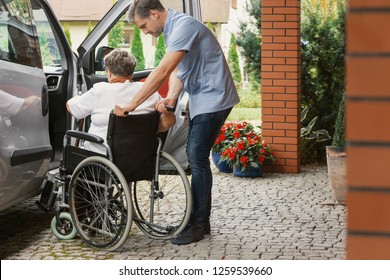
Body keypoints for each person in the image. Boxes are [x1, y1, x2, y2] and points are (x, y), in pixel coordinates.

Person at [114, 0, 240, 245]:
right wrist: (172, 96)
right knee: (197, 157)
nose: (145, 31)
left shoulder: (183, 26)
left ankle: (198, 224)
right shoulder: (172, 31)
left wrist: (132, 104)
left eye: (143, 26)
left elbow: (162, 70)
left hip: (214, 98)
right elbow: (179, 72)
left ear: (154, 13)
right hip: (203, 98)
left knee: (196, 158)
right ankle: (197, 221)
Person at [67, 49, 175, 154]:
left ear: (109, 73)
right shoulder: (149, 92)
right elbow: (165, 124)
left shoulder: (99, 91)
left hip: (102, 158)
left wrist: (76, 98)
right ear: (131, 75)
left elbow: (72, 108)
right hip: (140, 158)